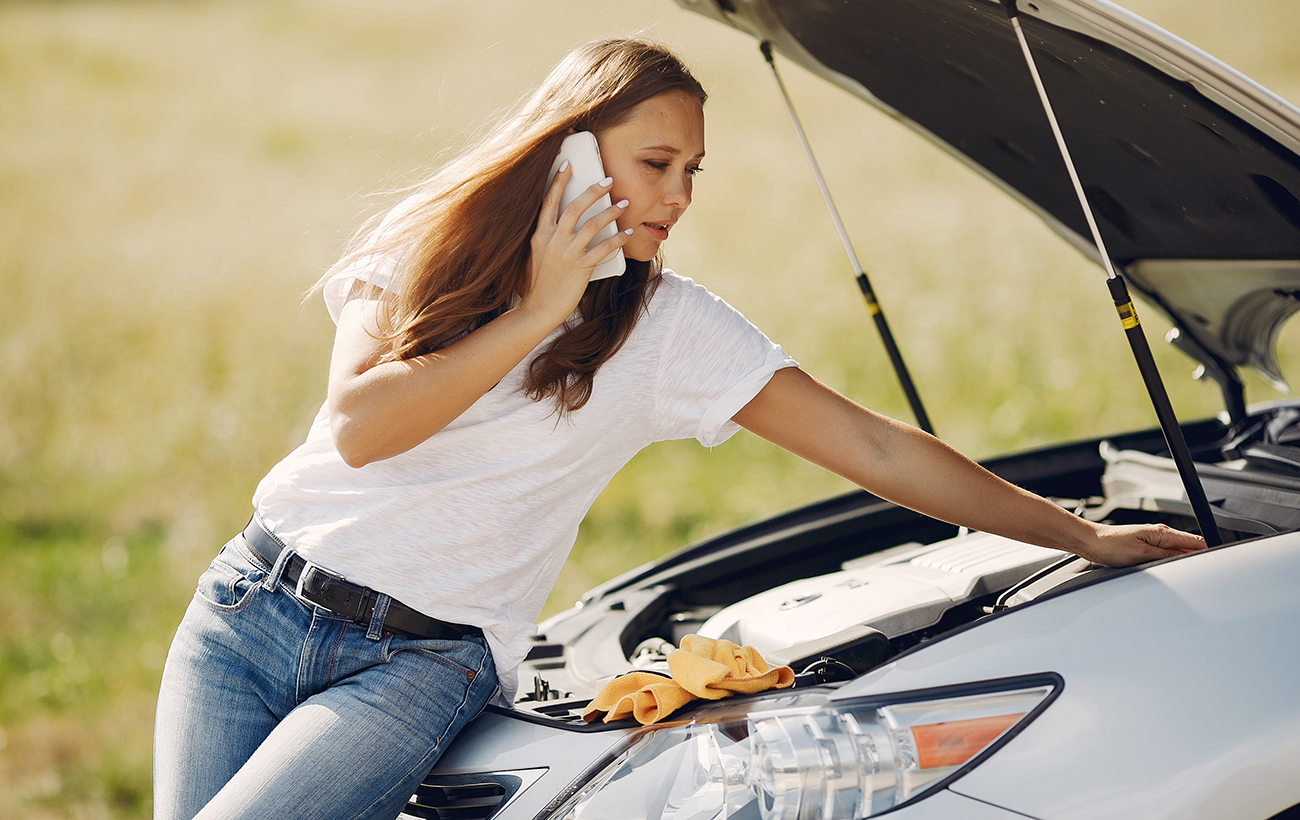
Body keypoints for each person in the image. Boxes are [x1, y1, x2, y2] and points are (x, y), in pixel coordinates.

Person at [152, 37, 1205, 820]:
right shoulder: (426, 243)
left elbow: (875, 447)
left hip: (420, 665)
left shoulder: (669, 328)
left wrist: (1080, 536)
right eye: (657, 163)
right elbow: (360, 427)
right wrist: (534, 310)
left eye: (692, 171)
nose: (679, 194)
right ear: (566, 152)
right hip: (250, 612)